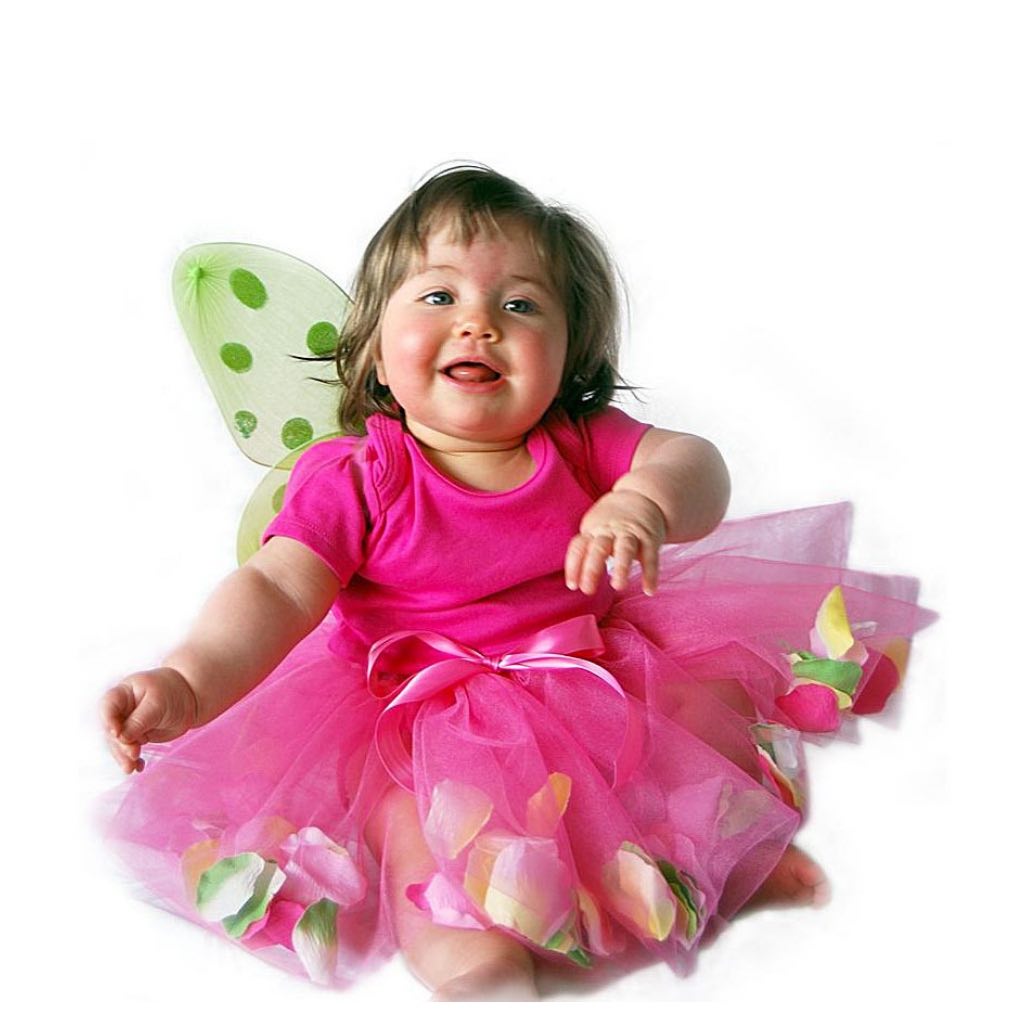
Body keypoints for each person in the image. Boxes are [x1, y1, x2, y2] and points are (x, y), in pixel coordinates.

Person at [100, 166, 935, 1000]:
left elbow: (698, 465)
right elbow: (278, 591)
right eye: (436, 298)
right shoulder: (358, 476)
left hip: (590, 678)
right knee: (414, 827)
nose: (478, 323)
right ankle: (469, 962)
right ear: (374, 354)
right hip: (410, 716)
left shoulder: (581, 443)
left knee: (680, 746)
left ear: (569, 354)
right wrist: (189, 677)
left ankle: (726, 872)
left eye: (521, 306)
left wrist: (643, 500)